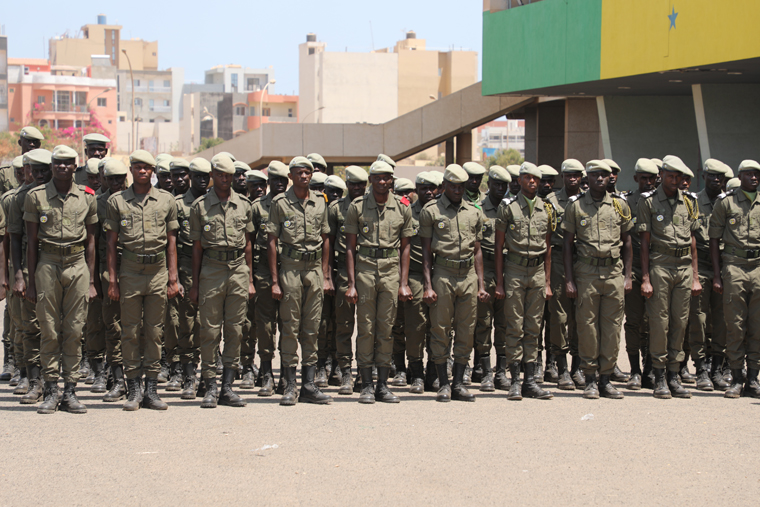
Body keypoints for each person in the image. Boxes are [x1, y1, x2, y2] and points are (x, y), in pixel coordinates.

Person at [25, 145, 98, 414]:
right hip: (48, 263)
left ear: (75, 166)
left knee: (75, 329)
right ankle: (51, 389)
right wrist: (31, 281)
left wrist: (90, 280)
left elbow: (92, 240)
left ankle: (70, 391)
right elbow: (31, 243)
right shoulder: (36, 196)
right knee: (49, 329)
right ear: (52, 165)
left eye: (68, 163)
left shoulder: (87, 197)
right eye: (58, 163)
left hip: (77, 263)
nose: (63, 167)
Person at [105, 150, 180, 411]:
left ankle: (151, 389)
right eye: (137, 167)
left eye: (147, 167)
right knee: (129, 331)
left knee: (154, 331)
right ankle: (133, 388)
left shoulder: (166, 200)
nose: (142, 171)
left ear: (154, 171)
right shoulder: (117, 201)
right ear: (131, 170)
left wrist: (173, 278)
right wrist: (113, 281)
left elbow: (172, 241)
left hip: (158, 271)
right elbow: (111, 245)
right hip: (130, 271)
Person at [344, 160, 413, 403]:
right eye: (378, 177)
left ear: (391, 180)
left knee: (386, 328)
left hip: (390, 270)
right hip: (364, 269)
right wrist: (351, 284)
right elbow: (350, 248)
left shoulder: (403, 207)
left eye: (387, 178)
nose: (383, 182)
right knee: (366, 328)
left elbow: (406, 248)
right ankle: (365, 385)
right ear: (370, 180)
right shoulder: (358, 206)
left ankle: (382, 385)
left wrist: (403, 283)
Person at [189, 154, 254, 409]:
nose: (225, 179)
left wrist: (248, 279)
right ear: (213, 175)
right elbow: (196, 249)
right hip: (211, 269)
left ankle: (227, 387)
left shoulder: (244, 205)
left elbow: (248, 244)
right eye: (220, 174)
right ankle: (209, 386)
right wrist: (195, 284)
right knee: (210, 331)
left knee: (235, 330)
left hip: (238, 268)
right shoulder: (200, 206)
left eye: (229, 175)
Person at [267, 156, 333, 406]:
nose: (304, 176)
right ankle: (289, 385)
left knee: (312, 327)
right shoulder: (280, 203)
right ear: (291, 177)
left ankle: (308, 384)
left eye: (307, 172)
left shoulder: (320, 202)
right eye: (299, 173)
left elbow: (326, 238)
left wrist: (326, 275)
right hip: (291, 269)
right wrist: (275, 280)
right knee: (290, 326)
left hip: (314, 270)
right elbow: (271, 241)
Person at [564, 160, 632, 399]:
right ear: (588, 178)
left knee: (612, 328)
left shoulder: (620, 205)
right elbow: (567, 245)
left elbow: (628, 242)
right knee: (587, 327)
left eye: (604, 175)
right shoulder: (576, 206)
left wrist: (627, 277)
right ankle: (590, 379)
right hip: (587, 272)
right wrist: (570, 280)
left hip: (613, 272)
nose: (600, 179)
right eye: (595, 176)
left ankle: (606, 379)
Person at [420, 164, 488, 402]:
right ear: (445, 186)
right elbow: (426, 252)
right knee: (440, 329)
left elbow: (477, 250)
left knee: (466, 330)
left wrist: (481, 285)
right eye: (453, 186)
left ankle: (458, 383)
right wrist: (428, 286)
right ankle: (443, 383)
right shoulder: (431, 210)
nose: (458, 190)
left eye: (461, 186)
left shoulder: (474, 211)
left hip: (468, 274)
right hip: (443, 273)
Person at [638, 155, 701, 399]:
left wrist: (695, 276)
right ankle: (660, 377)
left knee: (680, 321)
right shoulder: (649, 203)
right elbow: (644, 243)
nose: (675, 180)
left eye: (679, 177)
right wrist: (645, 277)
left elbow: (693, 241)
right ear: (661, 175)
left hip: (684, 267)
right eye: (671, 176)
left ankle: (675, 375)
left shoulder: (689, 203)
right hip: (660, 265)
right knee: (659, 323)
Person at [494, 162, 554, 401]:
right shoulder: (508, 208)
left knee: (533, 327)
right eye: (527, 178)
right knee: (514, 327)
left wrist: (548, 282)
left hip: (537, 271)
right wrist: (499, 282)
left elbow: (548, 248)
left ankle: (530, 381)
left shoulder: (546, 209)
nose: (532, 182)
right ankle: (515, 381)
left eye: (535, 179)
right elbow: (498, 247)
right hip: (515, 270)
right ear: (518, 180)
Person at [710, 159, 760, 398]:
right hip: (734, 266)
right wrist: (717, 275)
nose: (754, 178)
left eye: (757, 175)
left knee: (757, 325)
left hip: (758, 266)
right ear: (740, 176)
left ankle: (753, 378)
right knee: (735, 325)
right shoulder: (726, 202)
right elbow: (713, 239)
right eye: (749, 174)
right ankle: (737, 377)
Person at [1, 127, 44, 382]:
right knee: (16, 315)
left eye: (35, 143)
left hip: (47, 260)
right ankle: (16, 363)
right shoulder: (10, 189)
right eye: (28, 143)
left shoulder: (47, 186)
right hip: (18, 258)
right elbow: (8, 236)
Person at [8, 149, 51, 404]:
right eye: (34, 170)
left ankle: (53, 379)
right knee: (31, 327)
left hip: (55, 267)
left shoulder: (64, 194)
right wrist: (18, 276)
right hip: (28, 268)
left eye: (44, 169)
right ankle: (32, 379)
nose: (39, 175)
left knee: (55, 328)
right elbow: (13, 237)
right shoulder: (19, 198)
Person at [168, 158, 210, 399]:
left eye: (206, 176)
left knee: (210, 324)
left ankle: (208, 376)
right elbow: (170, 241)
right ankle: (188, 375)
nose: (201, 180)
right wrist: (173, 276)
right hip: (185, 265)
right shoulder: (176, 204)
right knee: (187, 322)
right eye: (197, 175)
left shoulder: (215, 201)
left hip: (212, 265)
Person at [391, 171, 437, 393]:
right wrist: (404, 281)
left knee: (440, 327)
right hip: (416, 276)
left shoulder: (443, 211)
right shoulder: (408, 213)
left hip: (442, 274)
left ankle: (435, 372)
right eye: (424, 188)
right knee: (415, 327)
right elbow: (402, 248)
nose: (428, 191)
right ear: (416, 190)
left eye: (432, 187)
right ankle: (416, 373)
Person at [688, 159, 729, 391]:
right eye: (712, 176)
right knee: (699, 319)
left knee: (722, 320)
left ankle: (717, 369)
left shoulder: (729, 203)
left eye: (720, 177)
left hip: (726, 265)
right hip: (701, 264)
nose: (716, 180)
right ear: (704, 177)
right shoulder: (693, 203)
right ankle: (701, 368)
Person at [327, 165, 368, 395]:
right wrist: (328, 276)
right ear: (347, 185)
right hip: (343, 270)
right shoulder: (336, 209)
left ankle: (363, 370)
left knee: (366, 325)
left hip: (368, 269)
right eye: (353, 184)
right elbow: (329, 244)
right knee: (343, 325)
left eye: (361, 185)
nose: (357, 188)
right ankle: (345, 372)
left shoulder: (371, 206)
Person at [252, 161, 289, 397]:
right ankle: (266, 373)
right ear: (268, 183)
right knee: (265, 324)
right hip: (264, 271)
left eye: (283, 180)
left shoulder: (293, 205)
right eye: (275, 180)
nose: (279, 184)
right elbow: (248, 242)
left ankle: (287, 374)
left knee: (288, 323)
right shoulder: (258, 207)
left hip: (290, 270)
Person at [473, 166, 511, 392]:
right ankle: (486, 372)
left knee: (505, 323)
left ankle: (501, 372)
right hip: (485, 268)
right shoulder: (479, 209)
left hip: (507, 268)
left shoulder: (509, 209)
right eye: (497, 184)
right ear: (489, 184)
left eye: (504, 185)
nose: (500, 188)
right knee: (483, 322)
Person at [623, 159, 659, 390]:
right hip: (634, 267)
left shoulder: (662, 201)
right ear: (636, 178)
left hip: (660, 266)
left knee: (655, 322)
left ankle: (650, 369)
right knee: (634, 321)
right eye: (643, 178)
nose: (647, 182)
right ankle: (635, 370)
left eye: (651, 178)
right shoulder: (626, 202)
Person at [548, 159, 584, 390]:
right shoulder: (551, 202)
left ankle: (578, 367)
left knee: (581, 317)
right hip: (559, 260)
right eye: (568, 175)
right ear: (562, 177)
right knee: (559, 317)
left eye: (576, 175)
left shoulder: (588, 200)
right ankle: (561, 369)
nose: (572, 178)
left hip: (584, 260)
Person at [95, 158, 129, 402]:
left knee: (136, 327)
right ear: (104, 179)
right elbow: (93, 243)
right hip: (107, 269)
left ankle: (136, 378)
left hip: (133, 268)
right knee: (112, 325)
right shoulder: (97, 203)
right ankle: (117, 378)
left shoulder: (132, 200)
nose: (117, 183)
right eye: (112, 179)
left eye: (120, 178)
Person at [239, 169, 268, 389]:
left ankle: (267, 368)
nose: (258, 189)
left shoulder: (272, 207)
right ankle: (247, 366)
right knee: (247, 322)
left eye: (262, 185)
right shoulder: (245, 207)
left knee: (267, 323)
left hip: (270, 271)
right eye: (254, 185)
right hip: (249, 271)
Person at [315, 175, 345, 387]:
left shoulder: (344, 212)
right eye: (330, 192)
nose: (334, 196)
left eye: (338, 193)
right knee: (321, 321)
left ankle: (336, 364)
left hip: (341, 270)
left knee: (339, 321)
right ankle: (320, 365)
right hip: (320, 272)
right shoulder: (317, 211)